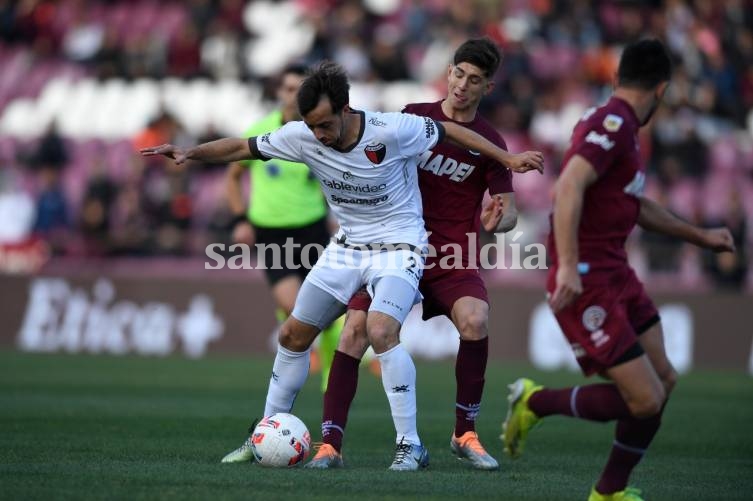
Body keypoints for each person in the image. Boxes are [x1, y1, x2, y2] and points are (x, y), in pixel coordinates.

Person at [141, 61, 543, 470]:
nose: (319, 135)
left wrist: (506, 159)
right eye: (311, 126)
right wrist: (190, 153)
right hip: (347, 248)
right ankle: (263, 431)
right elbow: (242, 147)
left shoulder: (390, 129)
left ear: (346, 109)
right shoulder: (302, 137)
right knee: (293, 334)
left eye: (325, 125)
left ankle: (411, 444)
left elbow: (451, 131)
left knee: (380, 328)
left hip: (401, 248)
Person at [501, 39, 735, 501]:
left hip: (617, 272)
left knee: (663, 382)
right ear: (663, 89)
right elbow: (567, 187)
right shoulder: (610, 124)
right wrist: (568, 265)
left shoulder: (626, 130)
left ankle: (610, 491)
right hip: (586, 278)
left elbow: (634, 202)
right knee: (644, 399)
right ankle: (535, 402)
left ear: (617, 78)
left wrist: (700, 236)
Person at [304, 38, 524, 471]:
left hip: (450, 255)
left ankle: (465, 433)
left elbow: (509, 208)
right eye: (458, 74)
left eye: (474, 79)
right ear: (448, 71)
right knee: (354, 332)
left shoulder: (491, 142)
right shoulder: (412, 119)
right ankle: (330, 443)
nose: (462, 85)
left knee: (476, 319)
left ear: (488, 87)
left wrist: (503, 218)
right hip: (393, 247)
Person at [224, 64, 342, 409]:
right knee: (294, 304)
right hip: (271, 232)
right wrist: (239, 218)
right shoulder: (261, 131)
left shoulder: (319, 133)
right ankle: (307, 347)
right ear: (279, 92)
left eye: (299, 89)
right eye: (288, 88)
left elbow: (335, 176)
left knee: (330, 307)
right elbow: (233, 176)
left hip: (313, 227)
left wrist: (336, 213)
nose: (293, 95)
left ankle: (330, 381)